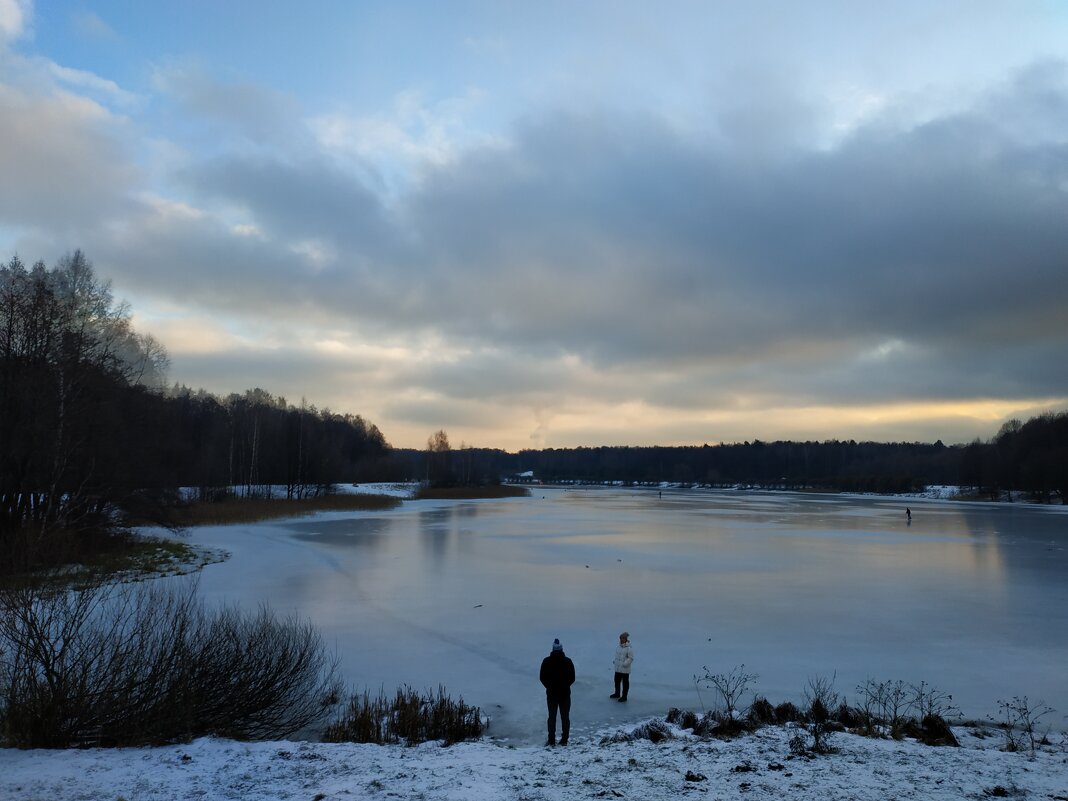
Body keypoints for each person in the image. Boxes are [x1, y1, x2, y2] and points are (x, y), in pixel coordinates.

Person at [540, 638, 575, 746]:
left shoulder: (546, 661)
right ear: (562, 649)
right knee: (565, 717)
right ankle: (564, 740)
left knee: (552, 717)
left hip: (551, 694)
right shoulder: (568, 661)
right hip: (565, 694)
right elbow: (572, 678)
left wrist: (549, 686)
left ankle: (551, 740)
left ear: (552, 649)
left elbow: (542, 677)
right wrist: (565, 686)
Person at [610, 631, 633, 702]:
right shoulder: (619, 647)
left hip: (625, 669)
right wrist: (615, 661)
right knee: (616, 681)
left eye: (622, 638)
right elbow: (618, 656)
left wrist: (625, 664)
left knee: (625, 683)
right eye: (620, 638)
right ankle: (617, 693)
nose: (621, 640)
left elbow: (630, 658)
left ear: (626, 639)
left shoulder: (629, 648)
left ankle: (624, 696)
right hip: (618, 668)